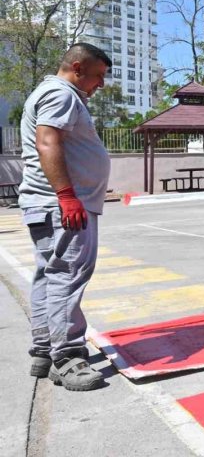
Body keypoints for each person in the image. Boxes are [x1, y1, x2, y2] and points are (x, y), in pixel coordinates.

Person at [19, 43, 112, 390]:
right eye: (98, 76)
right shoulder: (62, 94)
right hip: (63, 206)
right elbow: (47, 141)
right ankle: (68, 357)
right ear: (77, 67)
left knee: (49, 275)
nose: (100, 84)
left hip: (46, 205)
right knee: (68, 276)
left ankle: (45, 349)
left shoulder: (52, 92)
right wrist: (67, 196)